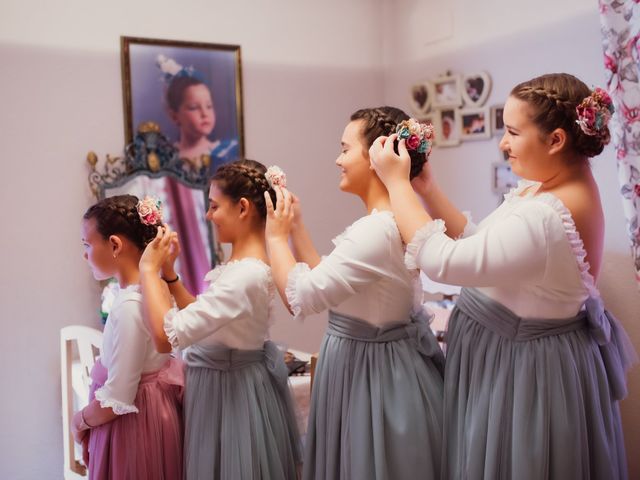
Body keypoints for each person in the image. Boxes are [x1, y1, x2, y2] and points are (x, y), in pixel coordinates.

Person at [369, 73, 637, 479]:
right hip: (510, 363)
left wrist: (395, 184)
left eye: (512, 132)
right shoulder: (544, 191)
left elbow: (441, 261)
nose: (503, 143)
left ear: (556, 140)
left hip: (524, 376)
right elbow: (481, 244)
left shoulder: (546, 216)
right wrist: (427, 189)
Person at [265, 107, 444, 480]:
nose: (337, 159)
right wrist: (297, 229)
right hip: (379, 367)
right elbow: (335, 286)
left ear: (377, 153)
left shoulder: (376, 230)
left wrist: (275, 237)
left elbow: (303, 296)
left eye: (345, 149)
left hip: (371, 376)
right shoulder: (388, 221)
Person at [139, 159, 301, 480]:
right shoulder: (239, 268)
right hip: (221, 389)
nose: (208, 215)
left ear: (242, 208)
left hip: (231, 397)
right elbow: (206, 320)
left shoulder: (245, 276)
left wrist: (147, 270)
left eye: (214, 206)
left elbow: (165, 336)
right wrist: (170, 275)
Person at [72, 194, 184, 480]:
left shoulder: (128, 307)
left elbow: (118, 397)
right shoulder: (155, 289)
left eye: (87, 244)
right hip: (152, 418)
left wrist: (80, 420)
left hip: (134, 429)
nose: (84, 255)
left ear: (114, 245)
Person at [158, 54, 239, 170]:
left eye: (209, 106)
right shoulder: (167, 158)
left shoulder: (225, 152)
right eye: (194, 107)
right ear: (174, 116)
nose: (204, 113)